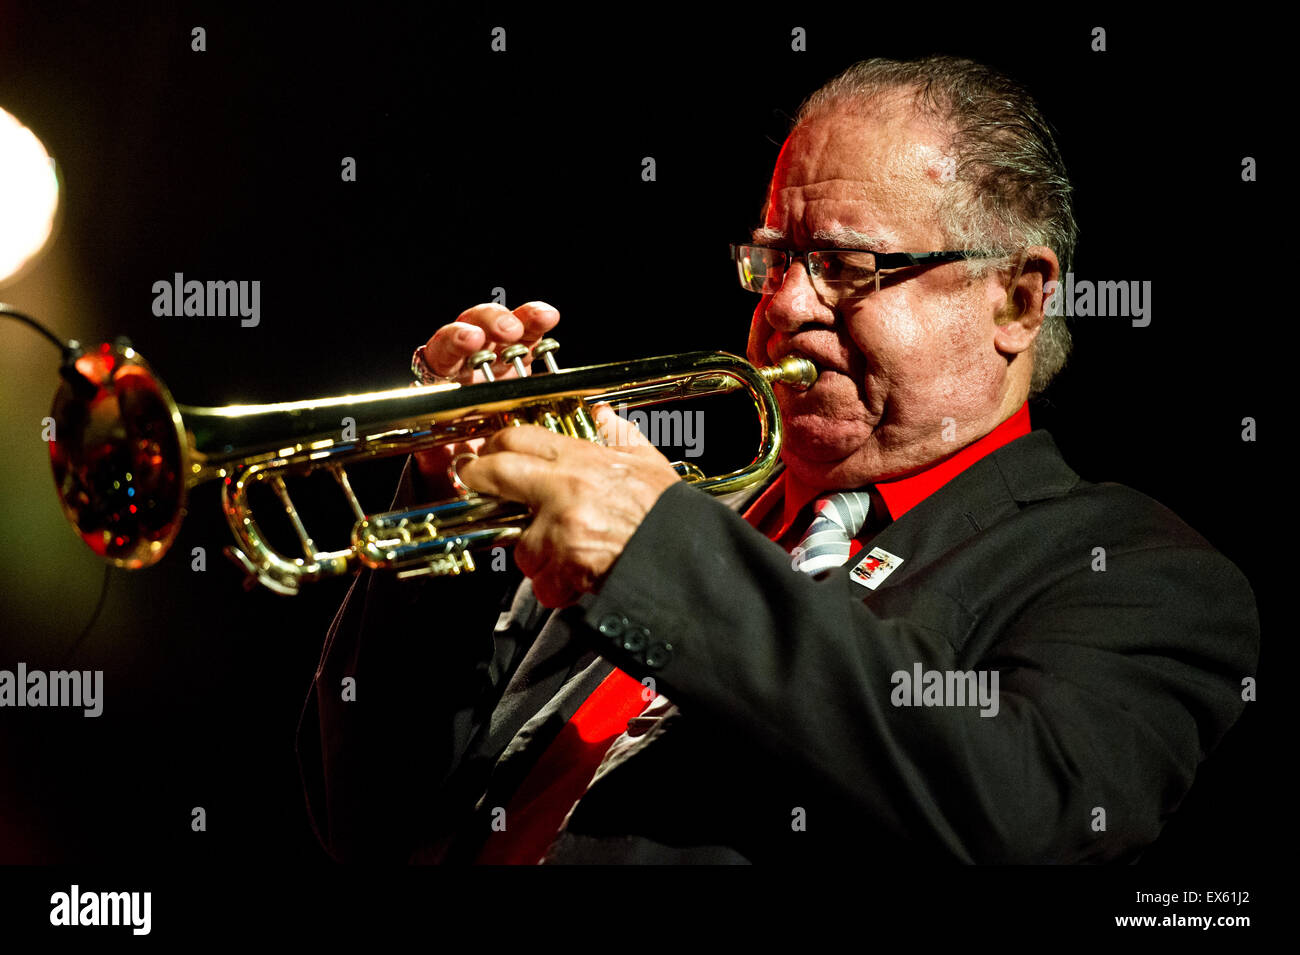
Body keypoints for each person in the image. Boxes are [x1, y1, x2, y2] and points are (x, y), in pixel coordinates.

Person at [295, 56, 1259, 864]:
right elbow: (370, 823)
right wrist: (444, 510)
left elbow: (1026, 805)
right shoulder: (666, 521)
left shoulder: (1135, 571)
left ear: (1017, 299)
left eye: (846, 266)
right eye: (774, 260)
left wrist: (660, 556)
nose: (787, 305)